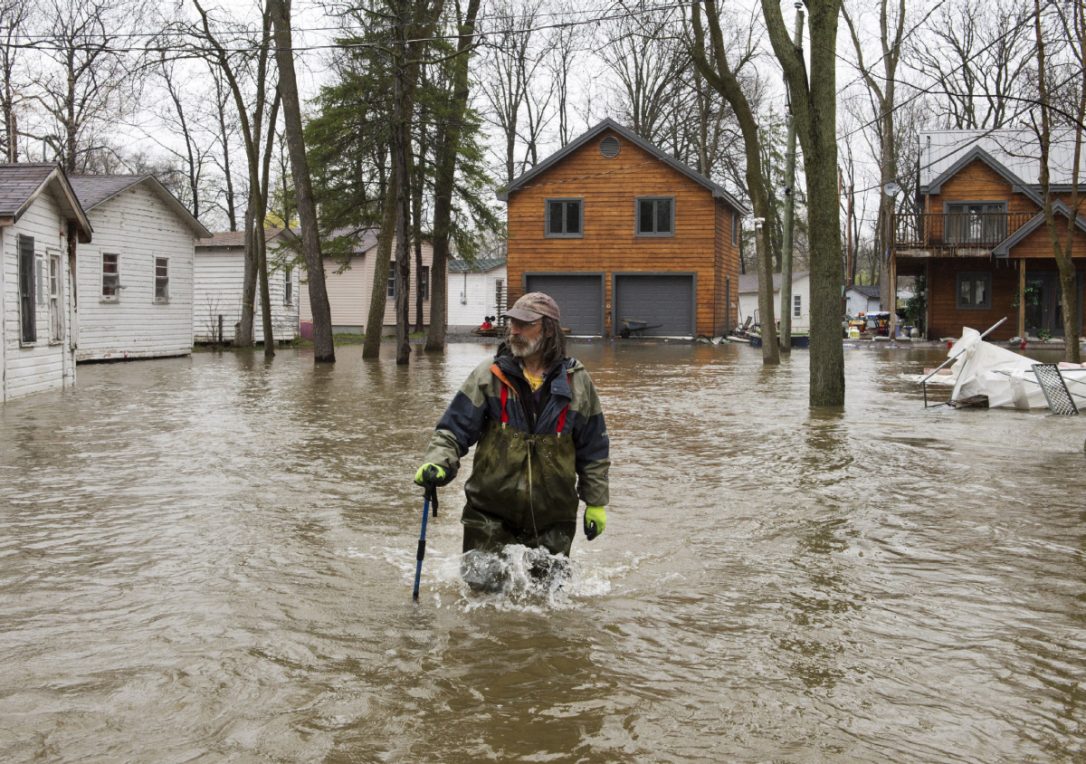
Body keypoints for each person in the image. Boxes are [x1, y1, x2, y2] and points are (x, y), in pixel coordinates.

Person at [414, 292, 610, 587]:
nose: (514, 331)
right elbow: (453, 429)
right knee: (481, 595)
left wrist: (596, 502)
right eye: (512, 323)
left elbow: (593, 449)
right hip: (489, 513)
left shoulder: (577, 383)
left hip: (553, 518)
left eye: (524, 324)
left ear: (548, 329)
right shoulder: (488, 376)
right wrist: (437, 462)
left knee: (548, 604)